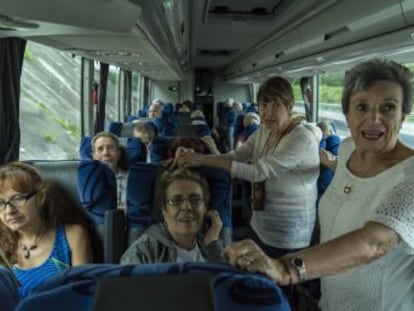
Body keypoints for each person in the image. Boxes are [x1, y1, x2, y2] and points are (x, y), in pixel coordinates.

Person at [223, 59, 414, 311]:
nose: (374, 119)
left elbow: (374, 243)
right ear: (348, 113)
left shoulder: (409, 175)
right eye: (362, 107)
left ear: (403, 116)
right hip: (330, 301)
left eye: (388, 108)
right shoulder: (347, 150)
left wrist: (286, 268)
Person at [172, 76, 320, 258]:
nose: (268, 112)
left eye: (276, 106)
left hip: (289, 233)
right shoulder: (263, 131)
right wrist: (199, 156)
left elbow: (258, 172)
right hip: (261, 224)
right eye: (264, 106)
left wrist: (201, 160)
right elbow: (237, 156)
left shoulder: (301, 139)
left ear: (289, 108)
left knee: (279, 282)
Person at [0, 162, 93, 298]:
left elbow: (83, 297)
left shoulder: (72, 236)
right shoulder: (1, 246)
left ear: (40, 197)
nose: (9, 210)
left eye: (18, 198)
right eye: (1, 203)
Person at [120, 168, 223, 264]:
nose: (186, 207)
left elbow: (226, 281)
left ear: (205, 208)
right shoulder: (142, 253)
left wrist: (212, 245)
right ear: (164, 210)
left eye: (195, 200)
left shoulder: (213, 244)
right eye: (176, 201)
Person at [91, 131, 128, 211]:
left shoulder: (132, 179)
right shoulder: (87, 182)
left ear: (118, 153)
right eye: (100, 149)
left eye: (110, 148)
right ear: (94, 155)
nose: (106, 153)